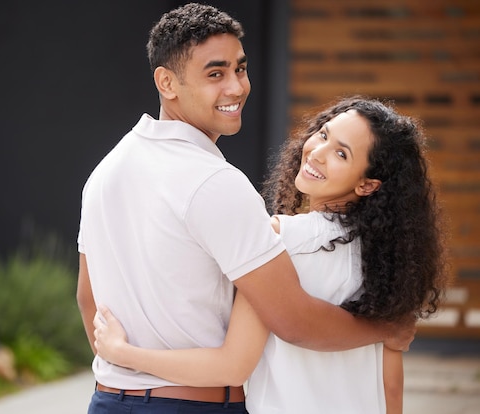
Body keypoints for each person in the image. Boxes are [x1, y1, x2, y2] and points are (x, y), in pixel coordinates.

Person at [77, 3, 415, 413]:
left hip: (108, 400)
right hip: (193, 405)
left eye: (240, 68)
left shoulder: (106, 171)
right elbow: (292, 321)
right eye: (215, 74)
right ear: (167, 82)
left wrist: (121, 365)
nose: (236, 87)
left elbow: (87, 299)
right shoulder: (217, 184)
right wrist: (386, 328)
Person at [92, 96, 447, 414]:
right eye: (323, 134)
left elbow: (233, 366)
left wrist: (123, 354)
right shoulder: (392, 266)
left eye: (342, 154)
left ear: (367, 184)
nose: (317, 152)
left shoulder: (280, 239)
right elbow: (392, 387)